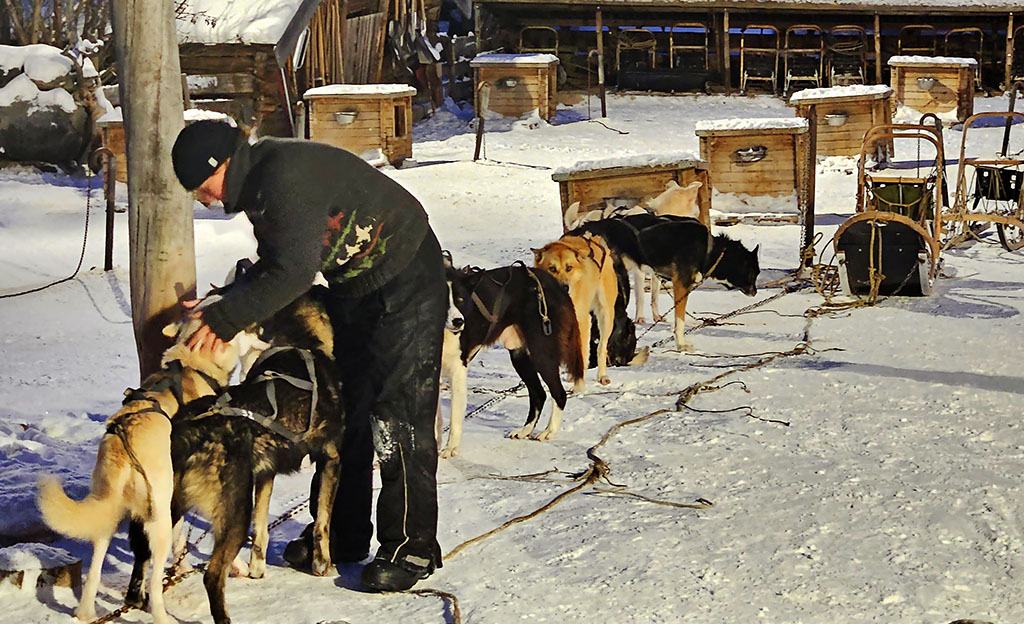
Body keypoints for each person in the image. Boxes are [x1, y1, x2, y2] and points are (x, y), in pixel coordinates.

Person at [171, 119, 446, 592]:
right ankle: (340, 534)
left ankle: (411, 547)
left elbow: (294, 275)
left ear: (222, 165)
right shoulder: (260, 183)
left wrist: (225, 320)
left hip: (407, 275)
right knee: (348, 410)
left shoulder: (282, 178)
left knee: (398, 410)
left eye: (203, 187)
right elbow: (279, 262)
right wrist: (226, 300)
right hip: (357, 286)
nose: (207, 200)